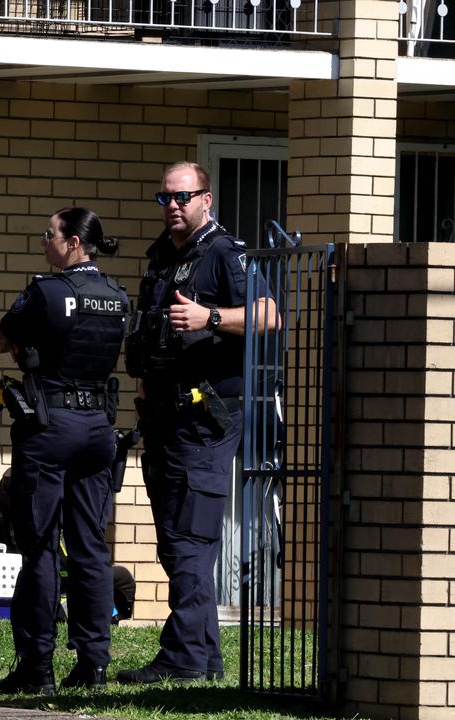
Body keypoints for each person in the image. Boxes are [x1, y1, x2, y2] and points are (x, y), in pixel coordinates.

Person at [116, 162, 280, 684]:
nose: (172, 207)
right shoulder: (163, 257)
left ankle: (184, 655)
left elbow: (270, 314)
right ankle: (203, 656)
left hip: (207, 420)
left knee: (190, 537)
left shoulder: (225, 254)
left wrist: (210, 318)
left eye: (182, 197)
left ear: (206, 199)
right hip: (164, 418)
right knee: (173, 540)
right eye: (163, 198)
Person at [0, 207, 129, 694]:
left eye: (50, 235)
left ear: (72, 243)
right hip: (98, 431)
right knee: (91, 548)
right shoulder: (116, 295)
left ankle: (37, 667)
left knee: (41, 547)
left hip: (49, 429)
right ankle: (93, 665)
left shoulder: (46, 291)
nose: (43, 243)